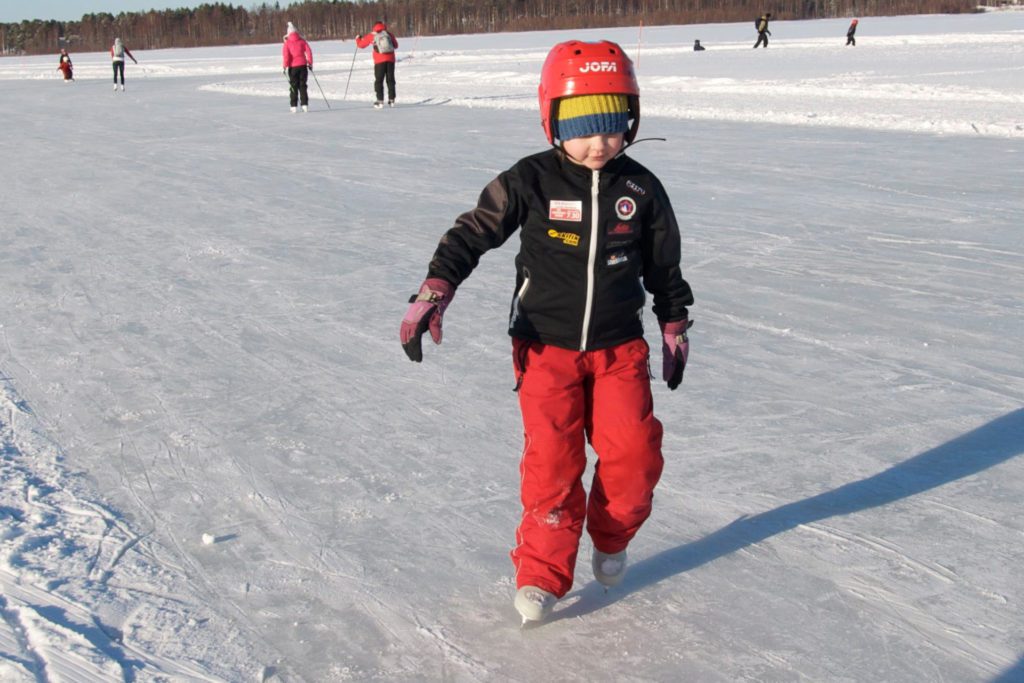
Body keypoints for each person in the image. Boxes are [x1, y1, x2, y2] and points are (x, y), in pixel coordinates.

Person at [399, 39, 695, 624]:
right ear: (552, 119)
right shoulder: (529, 180)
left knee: (633, 458)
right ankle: (542, 572)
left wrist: (674, 320)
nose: (599, 141)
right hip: (544, 349)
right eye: (583, 125)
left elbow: (665, 264)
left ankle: (612, 536)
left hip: (618, 350)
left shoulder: (640, 189)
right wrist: (435, 291)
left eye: (613, 124)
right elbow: (471, 233)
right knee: (553, 466)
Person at [355, 22, 398, 108]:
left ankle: (380, 101)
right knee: (390, 80)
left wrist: (357, 39)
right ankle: (392, 99)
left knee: (379, 80)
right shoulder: (388, 34)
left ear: (374, 27)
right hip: (390, 60)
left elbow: (361, 45)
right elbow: (396, 45)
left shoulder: (372, 35)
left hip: (379, 61)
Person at [282, 22, 313, 113]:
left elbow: (286, 56)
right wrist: (310, 63)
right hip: (303, 66)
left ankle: (293, 105)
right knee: (303, 85)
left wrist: (285, 66)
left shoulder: (287, 43)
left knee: (293, 86)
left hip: (293, 68)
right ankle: (304, 105)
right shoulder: (302, 41)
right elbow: (309, 52)